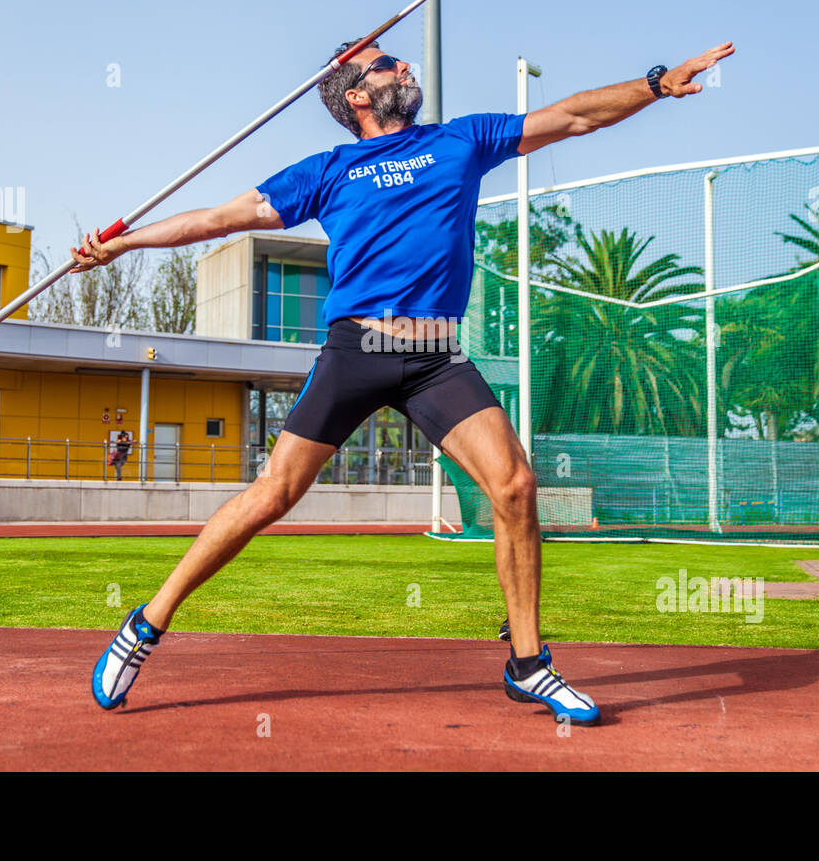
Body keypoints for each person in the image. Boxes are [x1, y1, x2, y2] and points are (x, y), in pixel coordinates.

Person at [73, 36, 734, 725]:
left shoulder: (461, 142)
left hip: (436, 358)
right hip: (357, 349)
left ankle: (529, 664)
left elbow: (572, 117)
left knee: (515, 485)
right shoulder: (326, 170)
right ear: (357, 94)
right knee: (274, 493)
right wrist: (123, 243)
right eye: (387, 64)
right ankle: (146, 623)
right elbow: (215, 219)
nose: (405, 66)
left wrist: (655, 84)